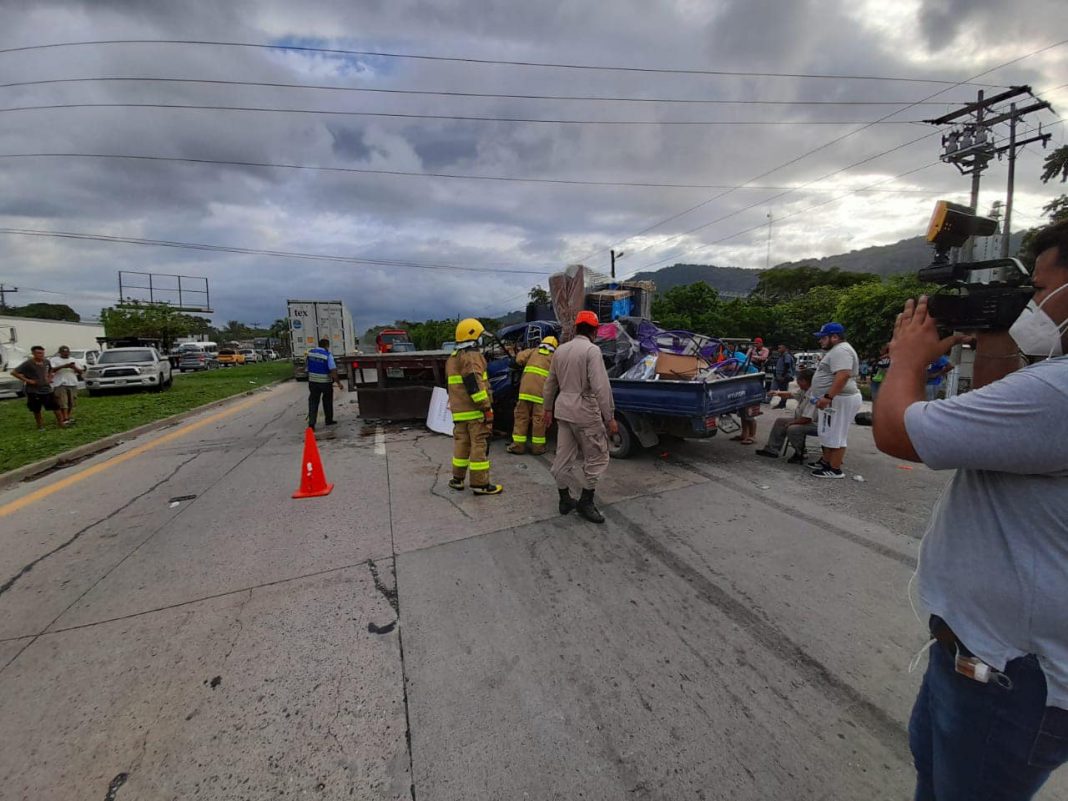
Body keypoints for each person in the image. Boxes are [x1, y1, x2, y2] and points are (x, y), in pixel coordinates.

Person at [873, 219, 1068, 801]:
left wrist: (905, 360)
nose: (1030, 302)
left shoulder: (1056, 392)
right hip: (982, 656)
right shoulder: (1046, 385)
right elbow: (982, 425)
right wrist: (996, 340)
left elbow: (896, 433)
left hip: (1009, 675)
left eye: (1037, 289)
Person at [543, 311, 617, 523]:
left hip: (563, 410)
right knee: (597, 456)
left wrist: (546, 409)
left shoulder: (560, 350)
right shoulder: (592, 351)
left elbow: (550, 383)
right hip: (585, 411)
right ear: (594, 331)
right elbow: (601, 386)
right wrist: (609, 417)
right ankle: (586, 501)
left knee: (562, 457)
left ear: (576, 328)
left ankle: (564, 498)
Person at [446, 318, 502, 496]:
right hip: (474, 411)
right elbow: (475, 385)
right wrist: (486, 408)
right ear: (473, 336)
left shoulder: (453, 357)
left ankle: (457, 479)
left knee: (462, 445)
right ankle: (480, 484)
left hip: (459, 412)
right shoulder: (471, 357)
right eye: (479, 336)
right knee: (479, 445)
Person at [809, 322, 862, 478]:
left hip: (841, 398)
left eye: (823, 338)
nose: (820, 341)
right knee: (829, 432)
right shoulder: (837, 350)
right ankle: (826, 462)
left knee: (837, 433)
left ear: (834, 337)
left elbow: (843, 375)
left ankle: (834, 469)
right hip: (836, 398)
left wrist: (828, 396)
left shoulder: (842, 350)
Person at [507, 336, 557, 455]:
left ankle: (518, 446)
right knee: (539, 420)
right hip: (541, 394)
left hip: (525, 391)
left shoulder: (533, 351)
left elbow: (516, 360)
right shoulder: (554, 357)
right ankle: (538, 448)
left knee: (521, 418)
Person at [756, 368, 817, 462]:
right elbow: (791, 394)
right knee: (780, 421)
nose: (798, 384)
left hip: (814, 424)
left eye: (798, 381)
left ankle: (800, 452)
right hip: (803, 419)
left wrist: (792, 423)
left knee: (793, 428)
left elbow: (807, 419)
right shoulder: (805, 390)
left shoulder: (813, 394)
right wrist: (777, 393)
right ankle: (772, 450)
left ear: (804, 381)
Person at [12, 345, 62, 430]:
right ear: (33, 353)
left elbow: (51, 370)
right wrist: (28, 380)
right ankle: (40, 426)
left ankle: (61, 423)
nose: (41, 355)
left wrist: (49, 378)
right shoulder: (28, 363)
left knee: (56, 406)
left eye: (42, 353)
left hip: (47, 388)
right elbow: (14, 372)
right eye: (38, 353)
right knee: (36, 409)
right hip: (33, 390)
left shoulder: (46, 361)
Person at [306, 338, 343, 429]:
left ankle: (311, 424)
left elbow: (307, 367)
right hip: (325, 383)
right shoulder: (328, 355)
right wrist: (338, 383)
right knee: (327, 401)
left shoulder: (310, 353)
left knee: (313, 402)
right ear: (327, 346)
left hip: (313, 382)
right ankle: (329, 420)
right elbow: (333, 370)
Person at [49, 345, 85, 426]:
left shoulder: (73, 360)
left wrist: (73, 367)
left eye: (67, 352)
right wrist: (64, 366)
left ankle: (68, 416)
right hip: (60, 383)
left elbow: (80, 371)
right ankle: (64, 418)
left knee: (71, 402)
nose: (66, 353)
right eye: (64, 352)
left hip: (72, 382)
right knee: (63, 402)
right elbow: (52, 369)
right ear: (60, 352)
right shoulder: (54, 360)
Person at [770, 344, 796, 409]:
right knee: (774, 388)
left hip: (783, 376)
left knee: (783, 390)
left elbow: (787, 366)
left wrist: (783, 376)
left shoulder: (786, 356)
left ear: (785, 348)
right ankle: (772, 401)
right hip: (778, 376)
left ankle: (782, 404)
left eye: (780, 348)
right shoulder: (781, 356)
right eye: (778, 348)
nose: (779, 349)